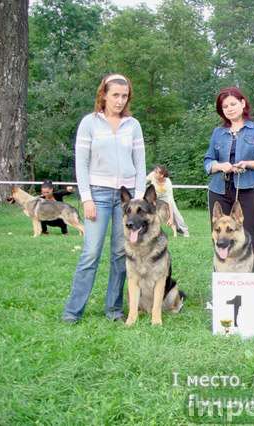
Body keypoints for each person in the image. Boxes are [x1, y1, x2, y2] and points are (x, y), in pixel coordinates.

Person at [62, 73, 146, 323]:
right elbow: (81, 164)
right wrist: (86, 198)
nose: (120, 101)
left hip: (127, 200)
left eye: (124, 96)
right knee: (90, 254)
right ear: (104, 95)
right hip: (97, 194)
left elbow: (140, 165)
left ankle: (114, 310)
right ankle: (72, 312)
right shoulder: (89, 123)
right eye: (115, 95)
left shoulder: (133, 125)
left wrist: (138, 200)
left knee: (121, 254)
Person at [204, 86, 254, 297]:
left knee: (250, 241)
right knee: (220, 240)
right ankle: (221, 294)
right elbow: (208, 162)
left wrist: (248, 164)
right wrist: (221, 166)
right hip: (218, 190)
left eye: (233, 104)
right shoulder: (218, 133)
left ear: (243, 103)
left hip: (247, 190)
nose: (229, 108)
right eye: (224, 106)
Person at [146, 165, 190, 237]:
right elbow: (143, 182)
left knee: (176, 213)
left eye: (156, 172)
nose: (154, 173)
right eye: (154, 171)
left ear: (162, 175)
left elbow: (170, 201)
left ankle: (184, 230)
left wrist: (171, 218)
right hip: (154, 196)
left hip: (165, 197)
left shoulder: (168, 183)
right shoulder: (152, 175)